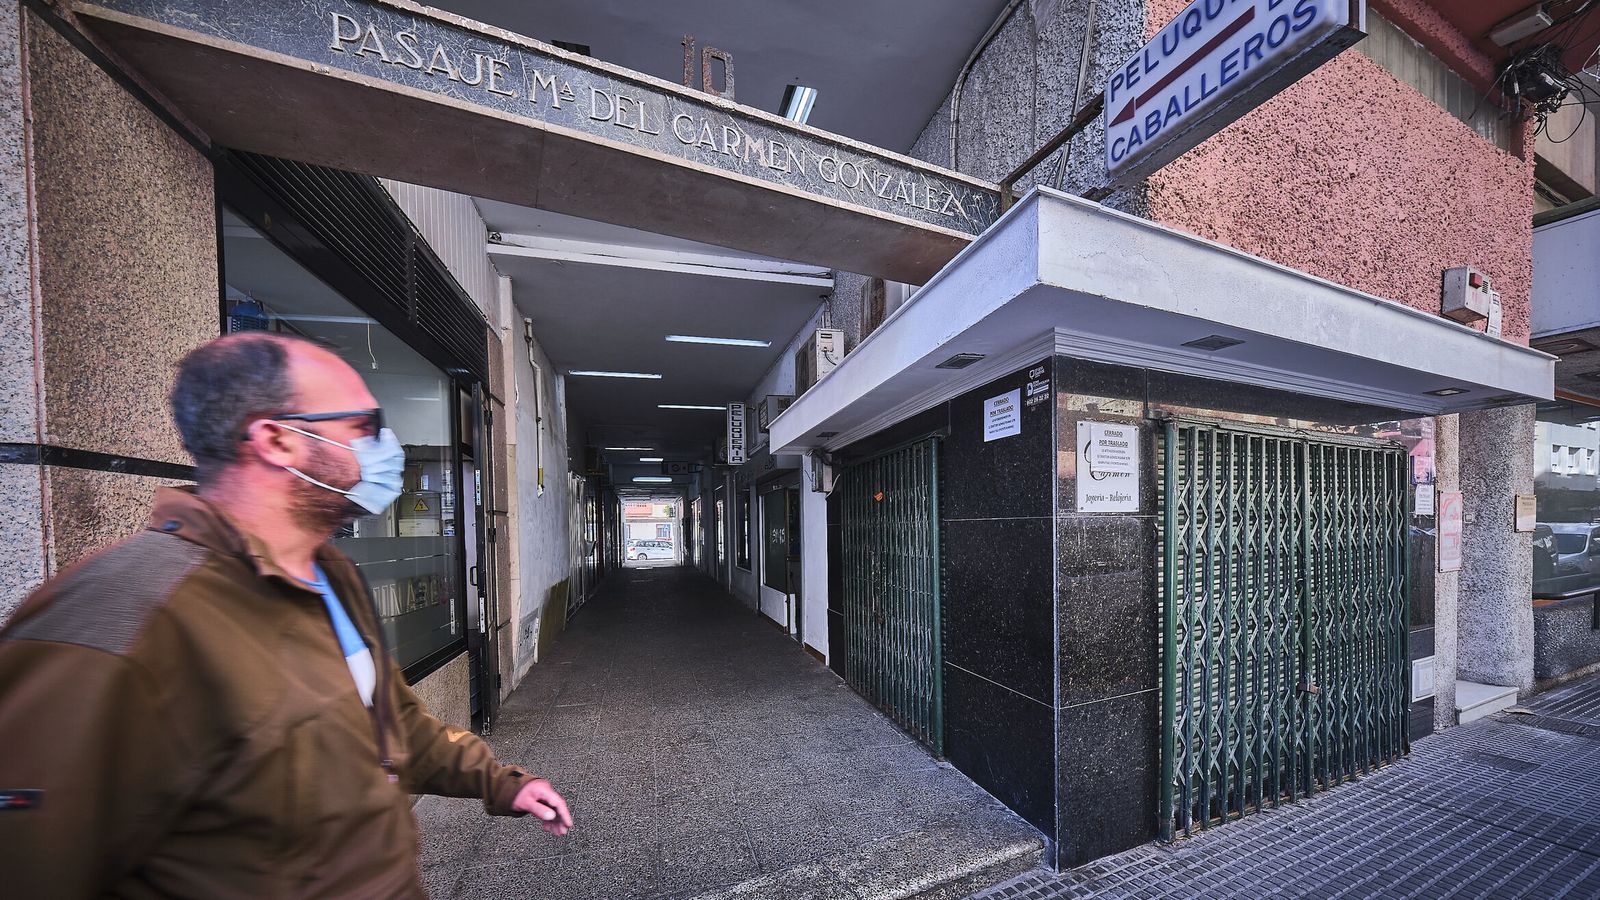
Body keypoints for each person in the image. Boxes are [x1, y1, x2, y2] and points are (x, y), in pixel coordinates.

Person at [0, 332, 571, 898]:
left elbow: (393, 722)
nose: (384, 446)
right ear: (277, 440)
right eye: (363, 426)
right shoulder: (120, 616)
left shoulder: (330, 574)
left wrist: (500, 784)